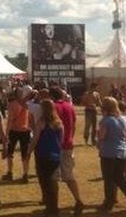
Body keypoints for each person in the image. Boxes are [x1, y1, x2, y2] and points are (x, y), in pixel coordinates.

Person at [97, 97, 126, 213]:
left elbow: (102, 136)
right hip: (122, 152)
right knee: (120, 178)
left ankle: (108, 203)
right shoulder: (123, 119)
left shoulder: (105, 120)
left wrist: (98, 138)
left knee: (108, 179)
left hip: (108, 153)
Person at [50, 87, 84, 215]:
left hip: (56, 146)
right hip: (68, 144)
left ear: (52, 96)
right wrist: (70, 137)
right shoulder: (70, 106)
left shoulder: (53, 107)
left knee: (53, 177)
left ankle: (55, 205)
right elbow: (74, 124)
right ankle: (78, 200)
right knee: (69, 176)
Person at [28, 99, 63, 217]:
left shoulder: (42, 122)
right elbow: (60, 140)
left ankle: (50, 208)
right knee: (53, 181)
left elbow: (35, 139)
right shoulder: (58, 122)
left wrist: (28, 152)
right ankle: (54, 206)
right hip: (55, 155)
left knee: (45, 181)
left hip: (43, 154)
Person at [4, 87, 31, 183]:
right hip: (25, 130)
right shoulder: (26, 104)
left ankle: (10, 172)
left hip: (14, 130)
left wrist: (6, 134)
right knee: (25, 154)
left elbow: (10, 120)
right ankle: (25, 174)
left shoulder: (12, 104)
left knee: (10, 153)